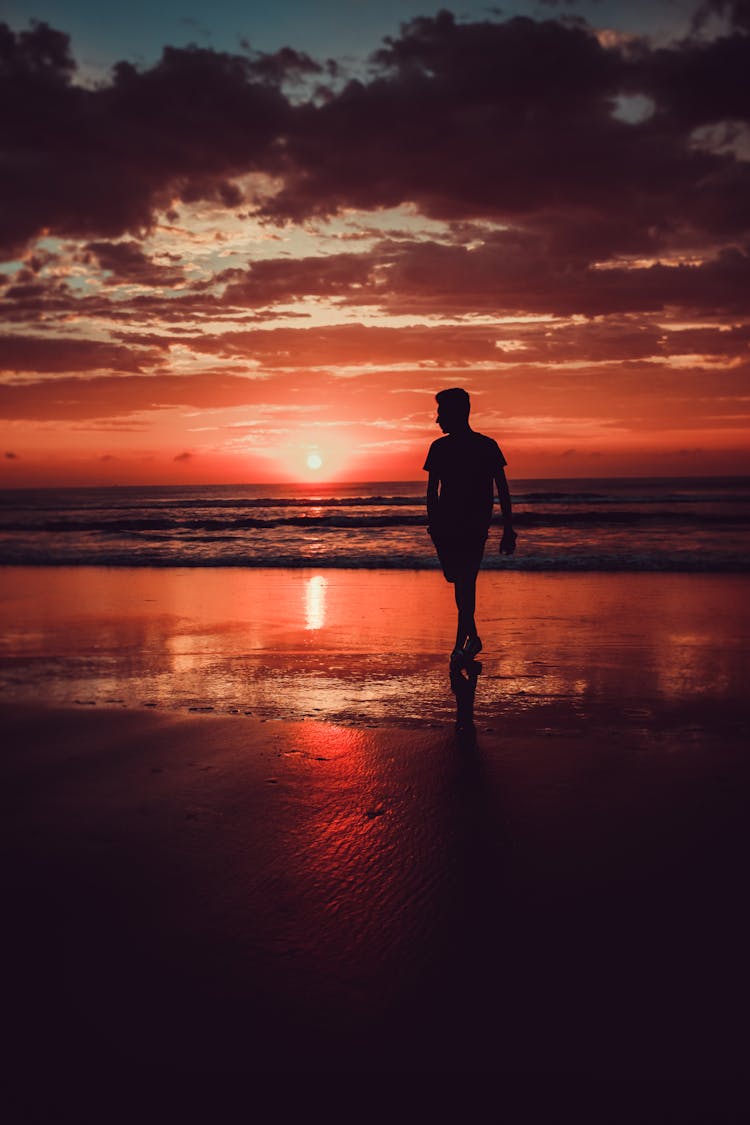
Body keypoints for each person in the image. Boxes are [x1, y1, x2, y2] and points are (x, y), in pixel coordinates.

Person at [423, 387, 516, 664]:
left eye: (441, 413)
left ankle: (459, 646)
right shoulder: (439, 448)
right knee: (457, 581)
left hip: (474, 525)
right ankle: (472, 637)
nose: (437, 419)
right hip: (445, 527)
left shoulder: (486, 446)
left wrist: (508, 528)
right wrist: (435, 526)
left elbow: (502, 489)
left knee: (465, 582)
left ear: (456, 413)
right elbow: (431, 492)